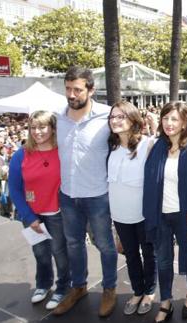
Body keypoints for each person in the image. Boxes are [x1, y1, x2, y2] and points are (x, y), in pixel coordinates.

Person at [52, 66, 118, 317]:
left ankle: (109, 289)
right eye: (68, 89)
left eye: (77, 89)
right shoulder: (58, 117)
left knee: (105, 244)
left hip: (98, 195)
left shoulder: (107, 116)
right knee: (73, 244)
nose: (71, 94)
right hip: (68, 195)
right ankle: (78, 287)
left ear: (91, 90)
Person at [8, 110, 70, 310]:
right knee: (40, 253)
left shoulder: (63, 151)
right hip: (32, 215)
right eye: (33, 127)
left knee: (60, 254)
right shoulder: (21, 154)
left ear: (52, 128)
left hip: (57, 214)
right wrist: (28, 216)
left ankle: (63, 288)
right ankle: (43, 285)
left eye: (42, 126)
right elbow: (15, 188)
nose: (37, 131)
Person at [143, 101, 187, 322]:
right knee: (163, 260)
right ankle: (165, 301)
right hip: (160, 215)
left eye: (174, 118)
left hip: (185, 215)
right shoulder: (155, 146)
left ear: (184, 122)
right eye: (165, 118)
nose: (169, 123)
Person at [107, 101, 157, 315]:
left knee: (149, 254)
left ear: (133, 119)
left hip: (143, 215)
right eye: (112, 117)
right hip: (119, 214)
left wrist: (155, 126)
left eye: (121, 116)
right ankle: (137, 291)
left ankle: (150, 291)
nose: (115, 121)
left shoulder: (147, 144)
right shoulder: (110, 147)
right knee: (130, 255)